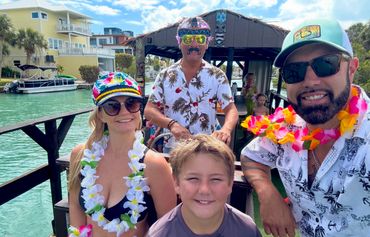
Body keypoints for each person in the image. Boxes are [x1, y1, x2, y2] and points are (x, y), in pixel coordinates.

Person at [240, 18, 370, 237]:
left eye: (326, 64)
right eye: (294, 71)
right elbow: (250, 157)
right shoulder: (286, 128)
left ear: (352, 69)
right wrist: (267, 192)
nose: (310, 80)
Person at [68, 72, 177, 237]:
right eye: (112, 106)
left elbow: (168, 229)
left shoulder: (154, 165)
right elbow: (76, 215)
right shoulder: (80, 155)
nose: (124, 112)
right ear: (100, 114)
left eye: (131, 103)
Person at [144, 16, 238, 152]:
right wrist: (171, 124)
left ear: (206, 44)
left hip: (207, 147)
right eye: (188, 39)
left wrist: (226, 129)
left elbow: (231, 109)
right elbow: (149, 110)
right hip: (174, 147)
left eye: (200, 39)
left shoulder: (217, 75)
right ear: (179, 42)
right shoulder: (164, 75)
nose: (194, 44)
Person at [146, 134, 261, 237]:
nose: (204, 190)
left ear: (230, 183)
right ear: (176, 183)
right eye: (193, 178)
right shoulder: (159, 234)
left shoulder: (247, 230)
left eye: (215, 179)